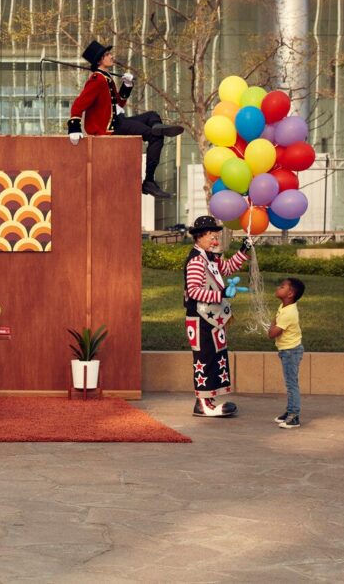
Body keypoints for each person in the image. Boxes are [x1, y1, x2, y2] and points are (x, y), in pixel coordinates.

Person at [66, 40, 185, 199]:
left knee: (152, 115)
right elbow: (79, 104)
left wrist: (127, 85)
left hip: (117, 120)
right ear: (100, 60)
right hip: (112, 127)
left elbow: (118, 102)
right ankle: (149, 180)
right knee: (155, 137)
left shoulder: (106, 78)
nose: (111, 56)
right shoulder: (97, 80)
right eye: (108, 54)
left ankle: (157, 127)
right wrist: (74, 127)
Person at [183, 216, 252, 417]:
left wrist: (243, 250)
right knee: (205, 358)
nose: (215, 241)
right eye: (212, 237)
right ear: (199, 238)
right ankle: (203, 404)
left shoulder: (210, 257)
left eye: (217, 237)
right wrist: (221, 294)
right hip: (200, 318)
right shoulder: (196, 260)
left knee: (215, 357)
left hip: (212, 319)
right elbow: (194, 291)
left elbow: (227, 268)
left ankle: (209, 399)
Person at [268, 277, 305, 429]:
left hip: (291, 352)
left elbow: (272, 333)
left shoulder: (288, 313)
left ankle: (294, 416)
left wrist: (271, 327)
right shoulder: (283, 307)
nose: (278, 287)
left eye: (282, 286)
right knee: (290, 383)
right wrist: (273, 325)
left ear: (290, 294)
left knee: (291, 385)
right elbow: (274, 323)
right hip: (287, 350)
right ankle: (290, 411)